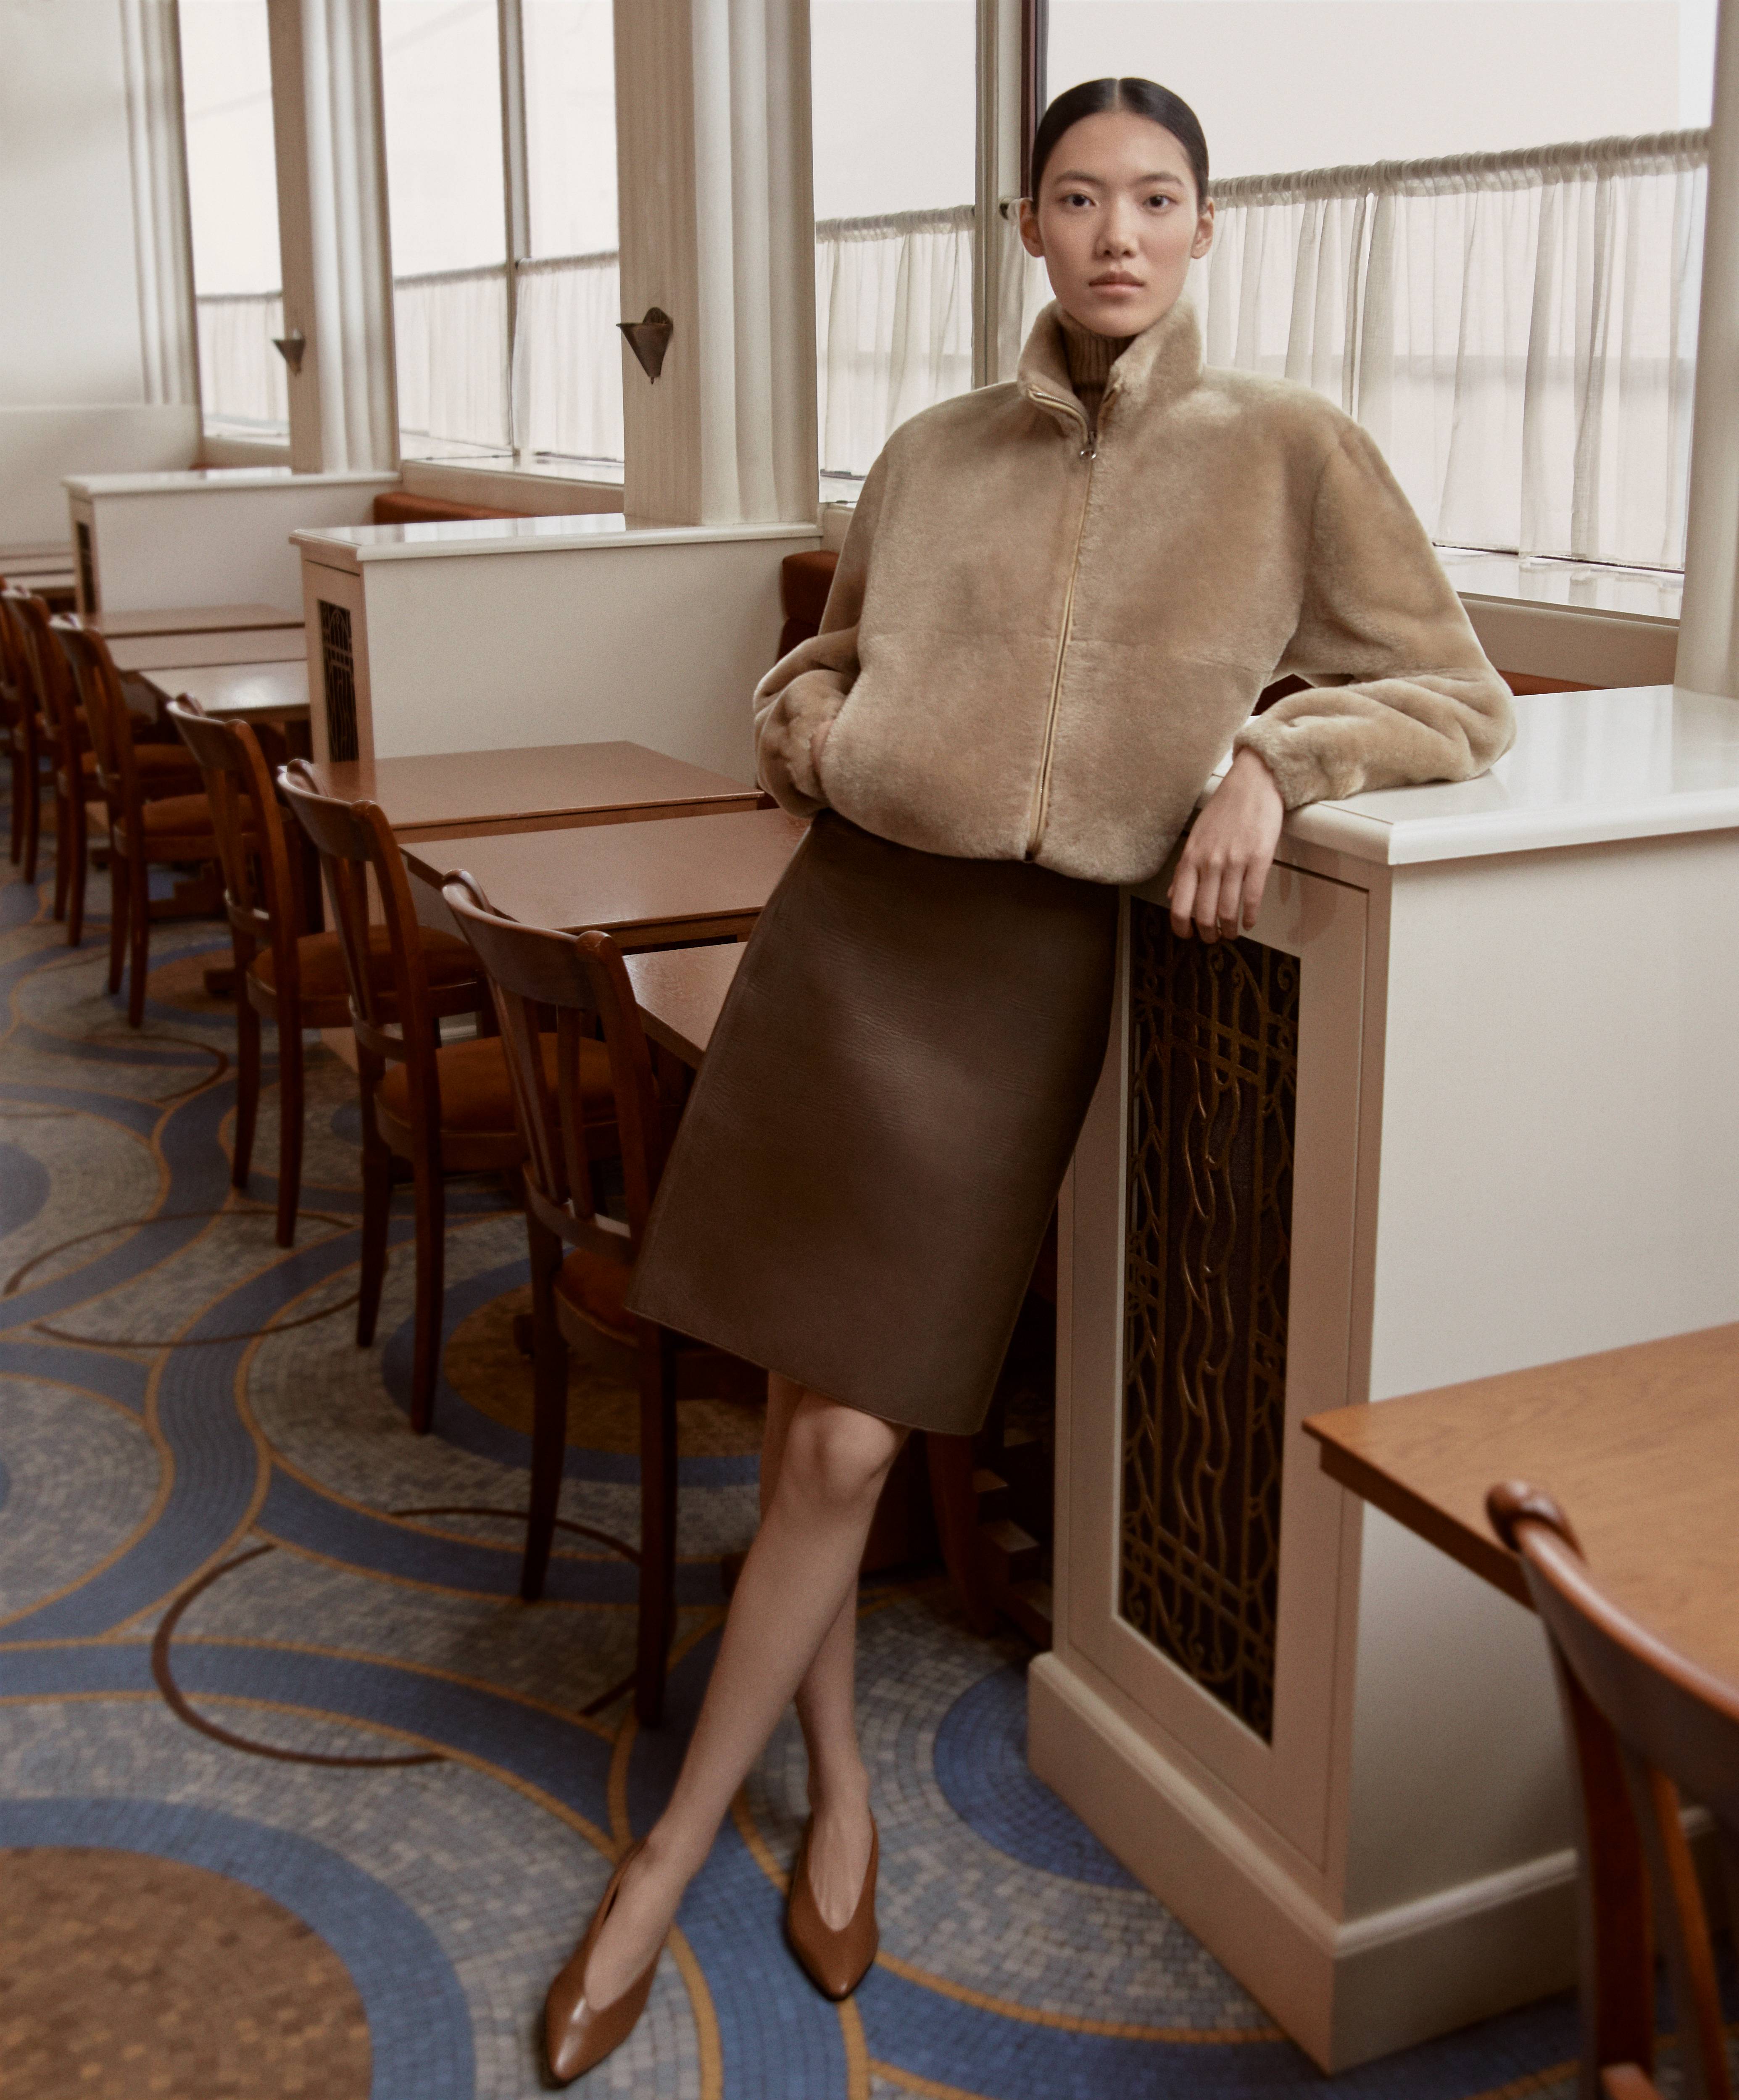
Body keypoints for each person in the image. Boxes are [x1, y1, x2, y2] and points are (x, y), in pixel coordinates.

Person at [539, 75, 1515, 2083]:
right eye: (1079, 198)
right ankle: (839, 1787)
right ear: (1029, 226)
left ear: (1207, 226)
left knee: (844, 1444)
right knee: (806, 1412)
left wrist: (1272, 765)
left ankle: (669, 1849)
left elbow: (1453, 691)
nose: (1117, 235)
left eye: (1155, 198)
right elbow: (824, 662)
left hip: (1025, 983)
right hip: (847, 937)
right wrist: (819, 743)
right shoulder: (934, 449)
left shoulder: (1289, 451)